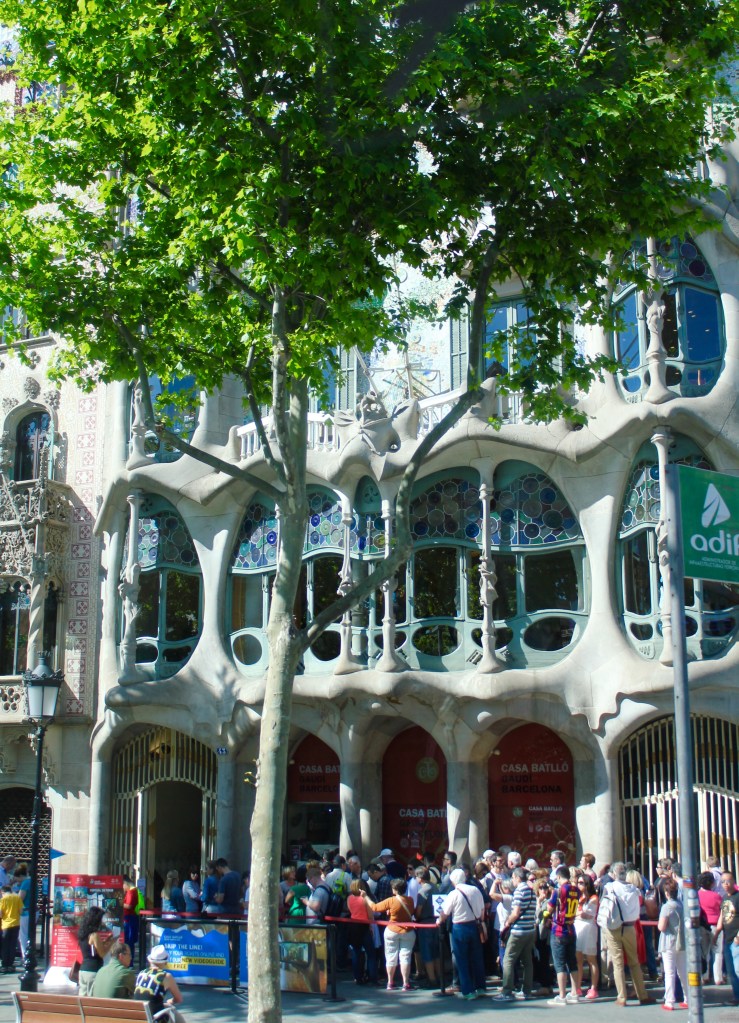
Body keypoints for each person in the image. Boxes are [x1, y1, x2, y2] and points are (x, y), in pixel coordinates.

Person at [598, 861, 654, 1007]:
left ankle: (621, 996)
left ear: (614, 873)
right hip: (630, 926)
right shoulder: (633, 889)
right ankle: (642, 994)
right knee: (634, 962)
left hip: (613, 927)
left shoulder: (609, 887)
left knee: (618, 963)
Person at [436, 867, 486, 1001]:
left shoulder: (454, 893)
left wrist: (439, 920)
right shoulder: (475, 890)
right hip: (475, 925)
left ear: (453, 880)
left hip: (460, 927)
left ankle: (468, 990)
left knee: (462, 960)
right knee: (477, 958)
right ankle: (480, 987)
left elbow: (445, 913)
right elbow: (482, 911)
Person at [361, 877, 415, 991]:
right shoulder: (410, 900)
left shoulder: (391, 900)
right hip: (408, 931)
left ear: (395, 889)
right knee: (405, 957)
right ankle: (406, 983)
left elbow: (374, 907)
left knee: (391, 957)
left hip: (392, 930)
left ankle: (390, 982)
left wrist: (366, 897)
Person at [493, 866, 538, 1002]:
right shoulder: (531, 890)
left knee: (508, 959)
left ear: (517, 878)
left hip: (518, 930)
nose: (512, 880)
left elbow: (516, 911)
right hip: (530, 929)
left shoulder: (519, 891)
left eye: (513, 878)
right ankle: (527, 990)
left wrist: (508, 922)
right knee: (527, 961)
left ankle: (507, 991)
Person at [544, 864, 580, 1005]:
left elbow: (549, 909)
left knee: (559, 964)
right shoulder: (576, 890)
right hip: (571, 928)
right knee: (572, 962)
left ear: (559, 877)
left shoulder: (558, 891)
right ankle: (575, 993)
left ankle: (562, 995)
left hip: (559, 929)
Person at [135, 943, 186, 1023]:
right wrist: (170, 1001)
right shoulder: (166, 976)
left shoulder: (141, 973)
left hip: (138, 1016)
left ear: (150, 960)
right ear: (165, 962)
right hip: (154, 1018)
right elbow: (179, 999)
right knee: (173, 1011)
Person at [658, 877, 688, 1011]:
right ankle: (688, 998)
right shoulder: (681, 905)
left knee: (669, 972)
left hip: (669, 941)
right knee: (682, 971)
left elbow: (661, 926)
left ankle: (669, 1000)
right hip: (681, 941)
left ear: (667, 892)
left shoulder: (666, 907)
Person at [346, 879, 378, 985]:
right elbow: (370, 915)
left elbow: (350, 910)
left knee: (356, 952)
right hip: (364, 926)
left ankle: (357, 977)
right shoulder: (364, 899)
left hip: (353, 926)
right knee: (371, 953)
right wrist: (371, 926)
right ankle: (372, 977)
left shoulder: (349, 898)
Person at [77, 906, 114, 995]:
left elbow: (92, 948)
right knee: (92, 1000)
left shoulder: (83, 934)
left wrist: (106, 941)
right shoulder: (94, 935)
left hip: (83, 970)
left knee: (82, 999)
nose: (102, 922)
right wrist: (112, 943)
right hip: (93, 971)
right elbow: (102, 953)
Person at [574, 873, 599, 999]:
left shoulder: (593, 897)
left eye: (581, 883)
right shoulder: (578, 896)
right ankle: (577, 987)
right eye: (578, 882)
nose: (579, 885)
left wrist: (576, 914)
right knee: (578, 958)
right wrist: (577, 914)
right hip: (578, 927)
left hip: (589, 928)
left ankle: (593, 988)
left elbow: (586, 914)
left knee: (591, 959)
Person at [414, 866, 441, 987]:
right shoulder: (435, 887)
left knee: (427, 952)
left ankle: (432, 979)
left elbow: (418, 910)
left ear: (420, 877)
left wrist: (416, 916)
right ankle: (439, 977)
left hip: (425, 923)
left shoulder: (423, 891)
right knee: (436, 951)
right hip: (436, 922)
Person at [715, 871, 739, 1005]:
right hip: (727, 939)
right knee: (731, 971)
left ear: (734, 881)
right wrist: (717, 934)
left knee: (738, 969)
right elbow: (722, 917)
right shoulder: (724, 899)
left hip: (736, 939)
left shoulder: (737, 897)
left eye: (728, 881)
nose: (726, 884)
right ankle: (737, 996)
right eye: (723, 881)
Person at [0, 885, 23, 973]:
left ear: (3, 892)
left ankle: (5, 965)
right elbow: (21, 911)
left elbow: (1, 914)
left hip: (5, 925)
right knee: (12, 945)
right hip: (16, 924)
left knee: (5, 945)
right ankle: (10, 964)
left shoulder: (3, 900)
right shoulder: (17, 898)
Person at [122, 876, 140, 955]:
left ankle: (130, 961)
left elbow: (129, 906)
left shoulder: (131, 892)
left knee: (129, 941)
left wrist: (120, 904)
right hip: (131, 917)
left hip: (129, 918)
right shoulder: (134, 891)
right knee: (130, 941)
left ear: (125, 884)